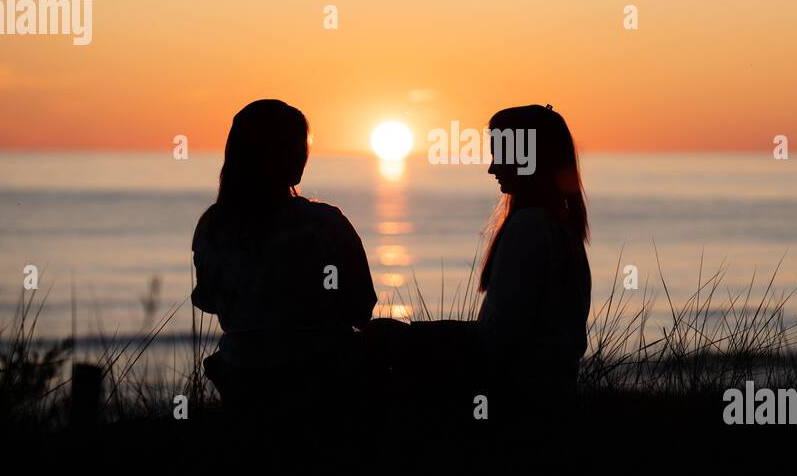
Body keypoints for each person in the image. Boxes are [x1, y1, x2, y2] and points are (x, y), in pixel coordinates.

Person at [366, 104, 591, 410]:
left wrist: (411, 337)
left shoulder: (530, 226)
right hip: (549, 391)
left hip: (519, 397)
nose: (492, 168)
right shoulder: (560, 225)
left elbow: (497, 342)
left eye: (499, 155)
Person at [192, 100, 377, 409]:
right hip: (322, 381)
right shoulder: (327, 223)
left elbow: (209, 300)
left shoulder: (213, 225)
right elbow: (361, 309)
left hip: (243, 381)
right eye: (298, 146)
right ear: (291, 157)